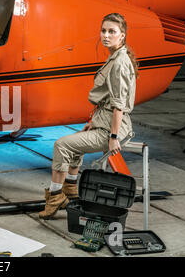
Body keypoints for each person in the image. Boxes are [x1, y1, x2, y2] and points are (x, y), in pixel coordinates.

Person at [39, 13, 139, 220]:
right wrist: (92, 122)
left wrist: (112, 138)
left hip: (114, 128)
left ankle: (56, 196)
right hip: (103, 120)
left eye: (112, 31)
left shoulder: (119, 62)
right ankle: (71, 189)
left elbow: (119, 105)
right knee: (75, 144)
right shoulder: (116, 56)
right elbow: (107, 101)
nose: (105, 35)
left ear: (122, 35)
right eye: (103, 30)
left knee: (62, 145)